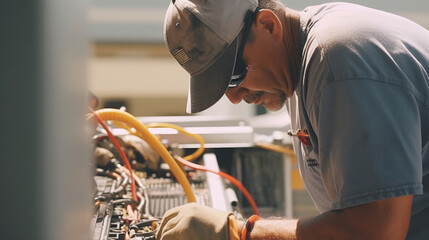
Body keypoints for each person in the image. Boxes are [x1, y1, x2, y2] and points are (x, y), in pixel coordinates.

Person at [157, 0, 429, 239]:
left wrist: (238, 233)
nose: (235, 98)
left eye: (233, 76)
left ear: (268, 25)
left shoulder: (337, 61)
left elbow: (374, 231)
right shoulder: (304, 66)